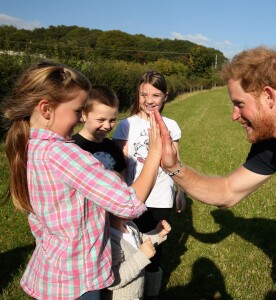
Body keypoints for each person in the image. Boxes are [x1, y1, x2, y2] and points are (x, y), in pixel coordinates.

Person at [2, 61, 163, 300]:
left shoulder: (30, 146)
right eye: (78, 110)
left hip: (52, 270)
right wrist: (156, 151)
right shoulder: (64, 154)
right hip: (77, 281)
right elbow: (129, 203)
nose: (79, 119)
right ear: (46, 109)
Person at [154, 46, 276, 209]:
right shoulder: (269, 143)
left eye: (240, 104)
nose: (234, 115)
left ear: (268, 97)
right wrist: (173, 167)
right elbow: (227, 191)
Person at [113, 70, 186, 299]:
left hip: (160, 198)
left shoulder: (171, 125)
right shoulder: (126, 125)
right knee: (131, 249)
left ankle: (151, 293)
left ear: (165, 96)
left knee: (154, 251)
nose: (149, 100)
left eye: (155, 95)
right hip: (133, 197)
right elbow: (120, 165)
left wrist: (181, 191)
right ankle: (132, 291)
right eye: (143, 94)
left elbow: (176, 161)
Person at [102, 215, 171, 300]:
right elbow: (113, 280)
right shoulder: (108, 240)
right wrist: (142, 256)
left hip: (137, 294)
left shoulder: (130, 225)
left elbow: (139, 241)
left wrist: (158, 233)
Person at [72, 85, 126, 173]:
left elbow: (122, 178)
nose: (107, 126)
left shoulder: (114, 148)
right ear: (83, 115)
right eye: (101, 120)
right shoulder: (73, 147)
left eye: (112, 120)